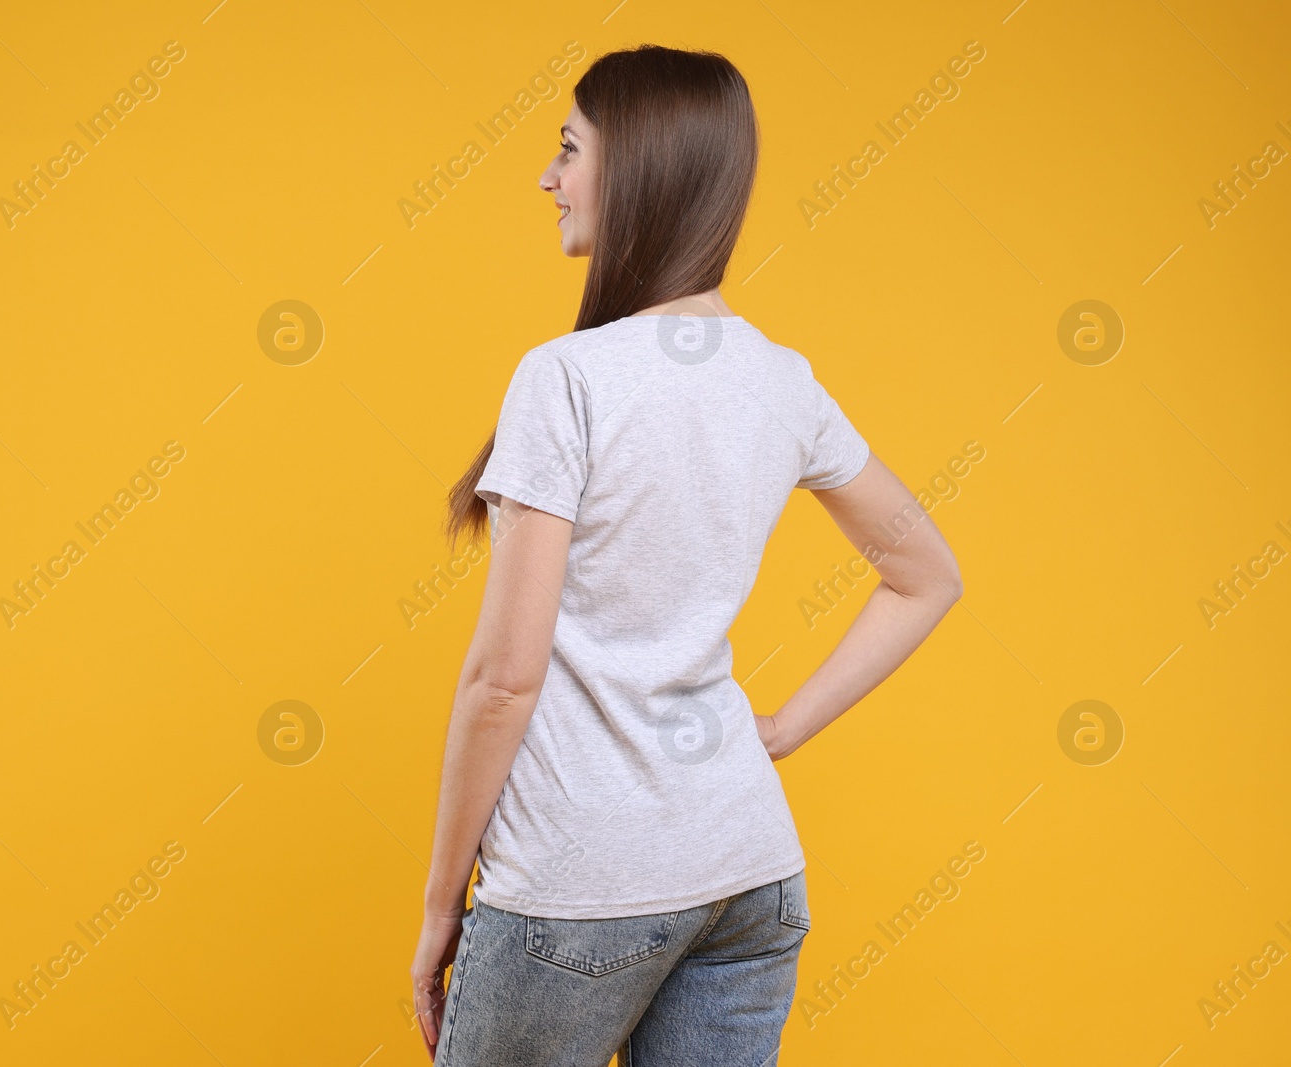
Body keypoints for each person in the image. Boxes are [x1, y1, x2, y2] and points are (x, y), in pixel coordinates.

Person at [410, 44, 962, 1067]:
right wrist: (782, 730)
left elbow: (502, 680)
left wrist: (443, 904)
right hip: (747, 874)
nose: (547, 177)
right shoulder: (781, 380)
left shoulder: (565, 378)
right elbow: (927, 573)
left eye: (568, 149)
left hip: (580, 886)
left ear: (638, 170)